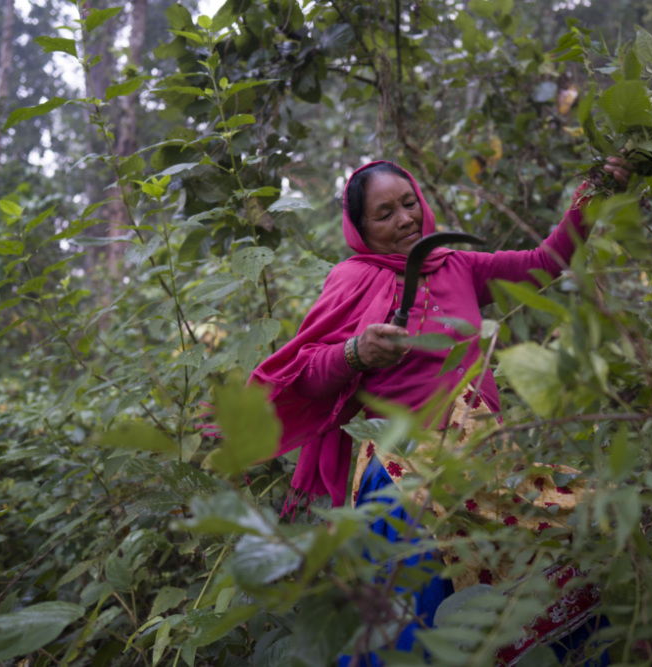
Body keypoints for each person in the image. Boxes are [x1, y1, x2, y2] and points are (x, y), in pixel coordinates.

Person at [250, 158, 630, 665]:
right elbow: (309, 373)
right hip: (400, 472)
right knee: (420, 618)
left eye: (409, 204)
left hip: (481, 457)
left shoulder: (459, 265)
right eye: (384, 214)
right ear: (360, 229)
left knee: (558, 551)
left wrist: (596, 192)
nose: (405, 220)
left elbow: (548, 260)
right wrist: (356, 353)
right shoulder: (350, 277)